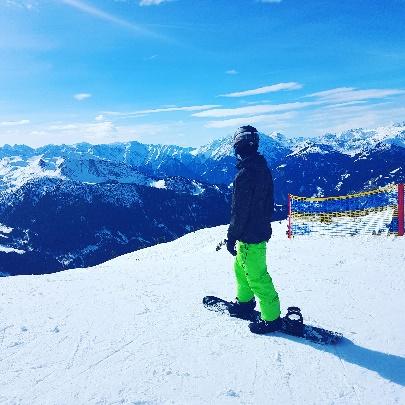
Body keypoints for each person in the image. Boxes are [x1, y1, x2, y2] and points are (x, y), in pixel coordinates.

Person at [226, 125, 281, 334]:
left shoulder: (245, 174)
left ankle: (271, 318)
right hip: (256, 231)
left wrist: (232, 237)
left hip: (250, 236)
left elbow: (239, 212)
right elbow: (268, 203)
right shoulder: (262, 168)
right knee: (241, 269)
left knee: (257, 276)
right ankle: (245, 303)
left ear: (238, 145)